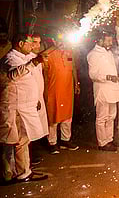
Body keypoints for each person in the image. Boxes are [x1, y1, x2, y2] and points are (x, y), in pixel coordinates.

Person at [0, 34, 48, 184]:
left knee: (23, 140)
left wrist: (36, 99)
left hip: (24, 106)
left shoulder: (24, 57)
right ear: (21, 43)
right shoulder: (10, 58)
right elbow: (13, 74)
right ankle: (8, 174)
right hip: (13, 107)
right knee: (10, 142)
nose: (32, 46)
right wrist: (33, 62)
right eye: (29, 43)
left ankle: (23, 172)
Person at [43, 35, 80, 154]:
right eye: (59, 40)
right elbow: (42, 65)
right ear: (53, 40)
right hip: (53, 90)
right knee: (54, 116)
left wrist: (76, 83)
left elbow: (73, 67)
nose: (62, 42)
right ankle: (52, 143)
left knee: (67, 115)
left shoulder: (69, 53)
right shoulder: (47, 54)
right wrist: (54, 47)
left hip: (67, 89)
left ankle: (65, 140)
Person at [87, 31, 119, 152]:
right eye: (108, 41)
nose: (110, 43)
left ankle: (109, 139)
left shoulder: (109, 53)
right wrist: (108, 77)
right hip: (102, 90)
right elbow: (92, 74)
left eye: (111, 40)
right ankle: (102, 143)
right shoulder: (93, 54)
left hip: (113, 89)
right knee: (102, 117)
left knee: (111, 116)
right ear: (100, 41)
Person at [25, 34, 49, 163]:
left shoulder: (36, 58)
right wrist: (36, 99)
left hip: (39, 97)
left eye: (39, 42)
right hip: (31, 99)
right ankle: (28, 156)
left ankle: (32, 154)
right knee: (29, 129)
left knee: (37, 127)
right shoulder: (27, 60)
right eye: (34, 42)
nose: (37, 45)